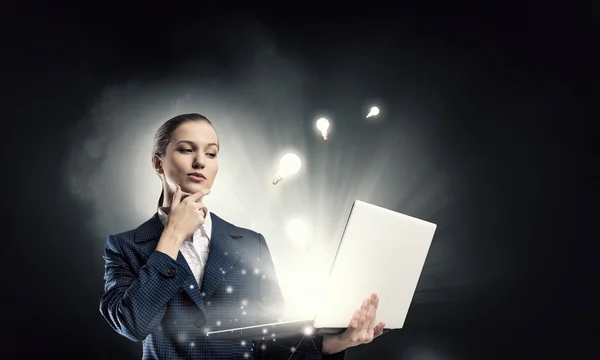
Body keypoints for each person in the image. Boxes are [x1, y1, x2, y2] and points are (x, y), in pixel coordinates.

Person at [99, 113, 386, 359]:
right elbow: (133, 323)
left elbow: (271, 343)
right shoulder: (125, 246)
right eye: (187, 149)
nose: (201, 161)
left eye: (211, 153)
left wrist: (338, 341)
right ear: (158, 163)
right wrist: (172, 236)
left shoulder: (251, 244)